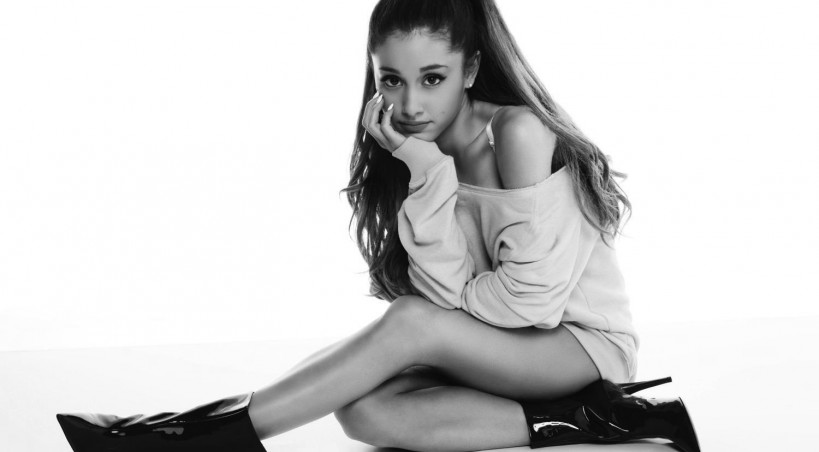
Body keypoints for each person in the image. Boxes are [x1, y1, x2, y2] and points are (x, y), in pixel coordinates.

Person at [55, 1, 700, 451]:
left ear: (472, 69)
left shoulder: (519, 132)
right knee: (363, 410)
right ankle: (605, 421)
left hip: (576, 345)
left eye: (432, 78)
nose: (410, 104)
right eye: (391, 80)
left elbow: (532, 304)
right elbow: (448, 291)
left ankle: (192, 437)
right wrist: (427, 169)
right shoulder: (421, 151)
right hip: (506, 344)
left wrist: (446, 313)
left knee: (409, 321)